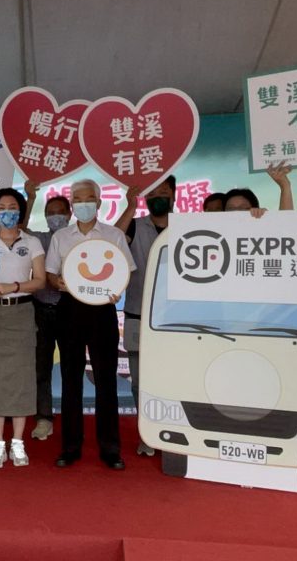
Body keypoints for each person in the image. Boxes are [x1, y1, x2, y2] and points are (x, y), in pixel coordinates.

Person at [45, 179, 136, 470]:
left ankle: (110, 448)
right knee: (70, 379)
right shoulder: (61, 237)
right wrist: (57, 282)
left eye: (88, 199)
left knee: (106, 379)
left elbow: (126, 271)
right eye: (78, 200)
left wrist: (118, 289)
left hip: (102, 311)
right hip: (70, 309)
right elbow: (50, 274)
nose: (83, 204)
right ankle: (70, 447)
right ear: (73, 205)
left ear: (98, 203)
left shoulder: (114, 235)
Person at [0, 188, 46, 468]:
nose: (7, 212)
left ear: (21, 210)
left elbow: (40, 281)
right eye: (1, 207)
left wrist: (13, 286)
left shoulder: (32, 242)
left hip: (22, 313)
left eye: (12, 206)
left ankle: (18, 442)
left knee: (21, 378)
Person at [114, 176, 176, 457]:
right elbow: (111, 241)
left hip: (177, 320)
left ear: (174, 194)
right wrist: (130, 206)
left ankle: (174, 432)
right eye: (152, 192)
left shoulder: (187, 226)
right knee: (140, 381)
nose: (158, 196)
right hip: (138, 313)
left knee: (174, 376)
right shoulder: (135, 226)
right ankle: (148, 434)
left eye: (164, 191)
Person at [22, 182, 71, 441]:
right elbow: (20, 229)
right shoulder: (40, 239)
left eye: (60, 212)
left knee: (71, 367)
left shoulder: (78, 240)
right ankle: (44, 418)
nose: (56, 217)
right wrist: (30, 198)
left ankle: (72, 418)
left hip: (70, 309)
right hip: (40, 310)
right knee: (41, 367)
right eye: (50, 213)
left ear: (70, 214)